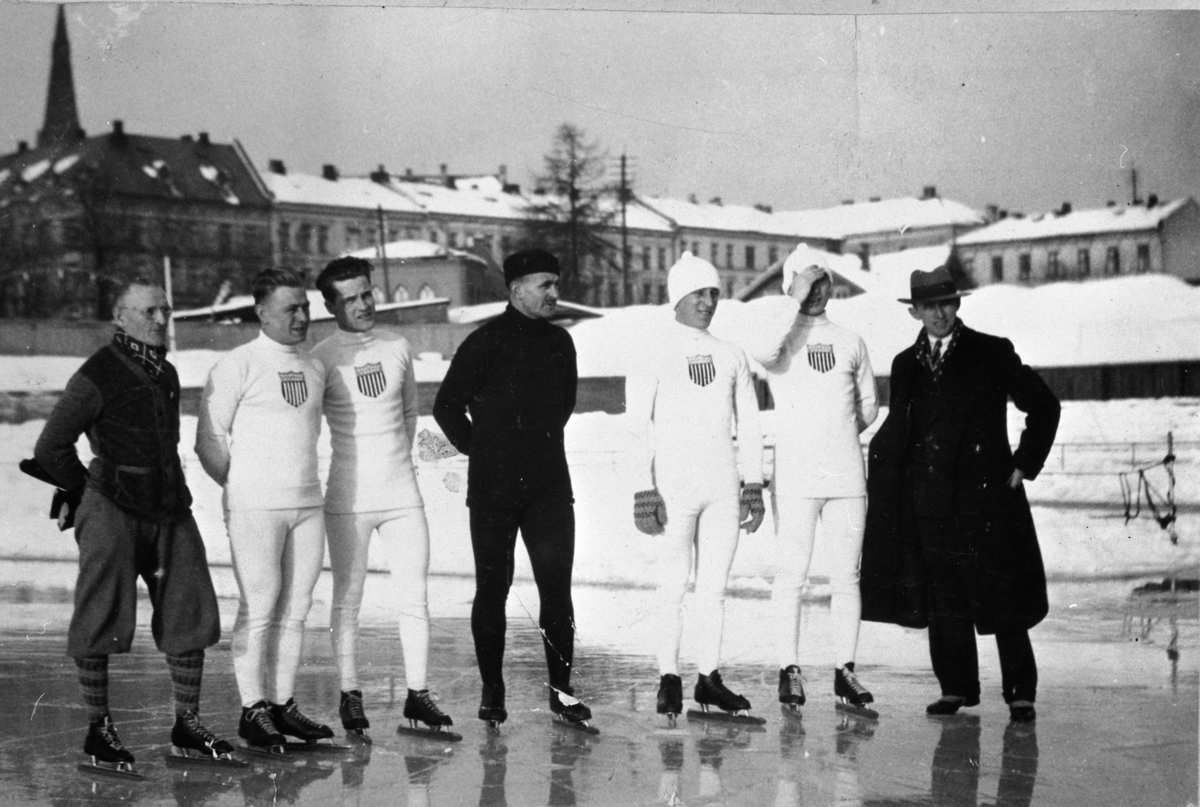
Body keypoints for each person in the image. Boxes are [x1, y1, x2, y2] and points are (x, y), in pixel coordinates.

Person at [33, 278, 228, 774]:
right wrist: (82, 490)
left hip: (169, 509)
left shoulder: (165, 371)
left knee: (190, 609)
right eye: (148, 312)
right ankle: (99, 730)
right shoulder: (97, 373)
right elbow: (51, 446)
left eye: (165, 310)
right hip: (113, 510)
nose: (161, 320)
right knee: (100, 617)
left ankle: (187, 724)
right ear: (119, 317)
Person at [860, 265, 1060, 723]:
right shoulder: (905, 364)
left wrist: (1024, 464)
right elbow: (902, 428)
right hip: (930, 501)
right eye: (929, 306)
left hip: (985, 498)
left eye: (946, 304)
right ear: (915, 312)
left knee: (1001, 592)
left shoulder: (991, 352)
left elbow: (1044, 405)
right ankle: (955, 688)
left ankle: (1019, 692)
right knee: (944, 597)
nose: (939, 314)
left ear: (958, 304)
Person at [432, 248, 590, 729]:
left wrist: (529, 446)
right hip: (494, 491)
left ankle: (561, 693)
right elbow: (446, 407)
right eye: (544, 284)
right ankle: (492, 689)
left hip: (548, 487)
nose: (554, 293)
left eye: (556, 283)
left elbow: (562, 406)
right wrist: (484, 452)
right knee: (492, 590)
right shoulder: (484, 342)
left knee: (556, 592)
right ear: (516, 287)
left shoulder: (561, 343)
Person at [310, 256, 453, 737]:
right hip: (348, 496)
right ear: (330, 306)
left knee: (415, 595)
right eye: (349, 299)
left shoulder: (398, 346)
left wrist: (394, 460)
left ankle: (418, 693)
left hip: (401, 493)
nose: (362, 304)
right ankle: (350, 694)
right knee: (347, 599)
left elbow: (410, 413)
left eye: (366, 293)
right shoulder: (323, 356)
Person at [196, 268, 333, 749]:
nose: (302, 316)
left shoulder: (315, 367)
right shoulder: (237, 364)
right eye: (290, 308)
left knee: (296, 608)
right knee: (260, 605)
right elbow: (208, 440)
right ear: (262, 312)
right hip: (257, 508)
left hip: (307, 504)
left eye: (305, 306)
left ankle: (282, 704)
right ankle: (252, 709)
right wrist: (240, 489)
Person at [626, 251, 765, 722]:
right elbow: (636, 426)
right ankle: (669, 677)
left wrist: (753, 484)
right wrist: (643, 489)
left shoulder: (731, 354)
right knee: (672, 585)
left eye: (714, 293)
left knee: (715, 590)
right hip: (673, 489)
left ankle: (708, 678)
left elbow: (750, 424)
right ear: (678, 297)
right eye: (699, 293)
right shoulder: (652, 349)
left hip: (723, 487)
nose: (708, 302)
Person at [748, 245, 879, 715]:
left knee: (847, 576)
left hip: (845, 476)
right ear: (790, 287)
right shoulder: (780, 341)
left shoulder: (850, 340)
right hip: (796, 477)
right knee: (792, 576)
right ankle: (790, 669)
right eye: (806, 283)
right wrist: (793, 297)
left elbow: (868, 407)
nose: (817, 291)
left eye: (822, 281)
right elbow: (760, 350)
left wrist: (835, 436)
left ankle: (845, 670)